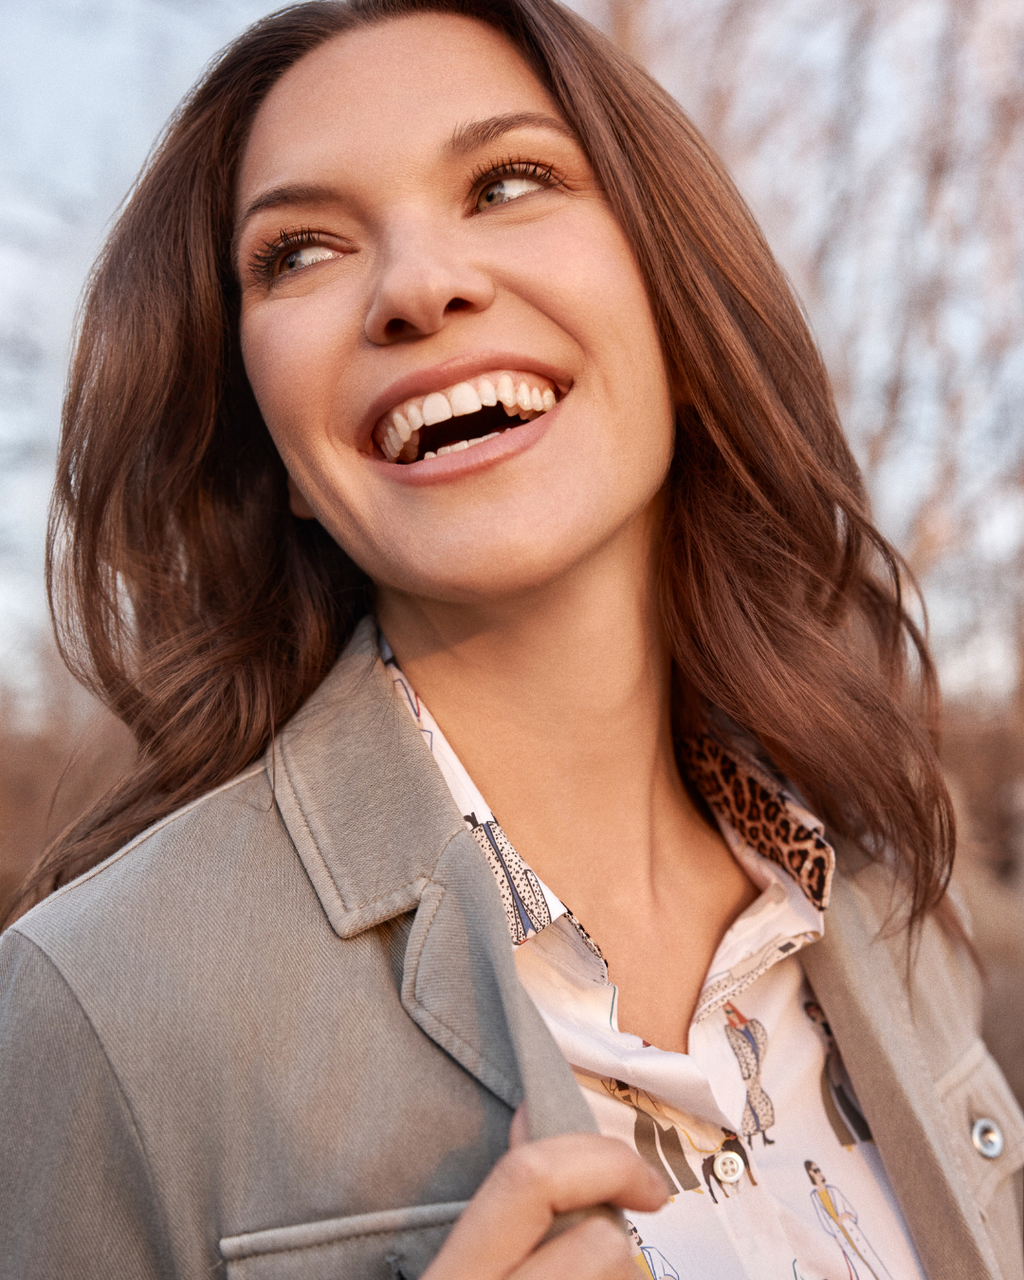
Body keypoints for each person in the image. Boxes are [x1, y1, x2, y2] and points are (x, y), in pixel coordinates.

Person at [0, 1, 1021, 1277]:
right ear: (281, 454)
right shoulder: (100, 1008)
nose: (419, 287)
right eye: (301, 250)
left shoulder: (889, 905)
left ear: (676, 313)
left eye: (509, 179)